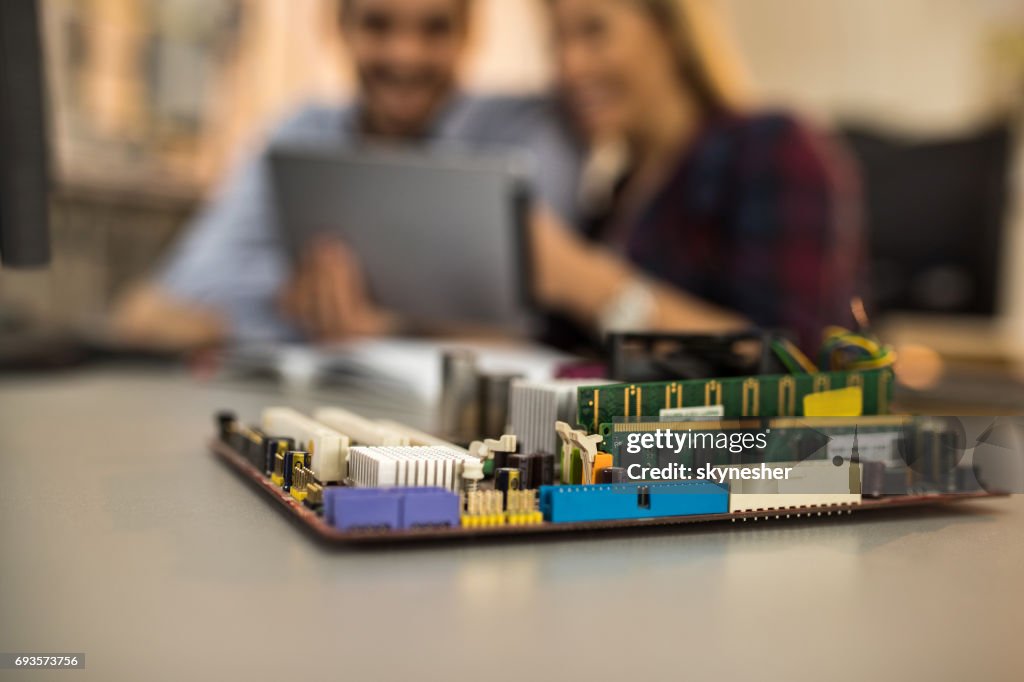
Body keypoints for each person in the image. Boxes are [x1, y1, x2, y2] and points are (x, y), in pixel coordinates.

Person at [111, 0, 582, 350]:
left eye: (434, 29)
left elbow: (533, 323)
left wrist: (391, 322)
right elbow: (159, 306)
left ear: (468, 32)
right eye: (378, 25)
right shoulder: (301, 134)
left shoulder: (524, 133)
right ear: (339, 26)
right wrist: (293, 306)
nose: (404, 56)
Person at [532, 0, 863, 352]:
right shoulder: (617, 195)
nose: (569, 66)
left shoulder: (772, 147)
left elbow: (793, 356)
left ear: (671, 31)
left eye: (594, 31)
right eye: (556, 41)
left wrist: (579, 279)